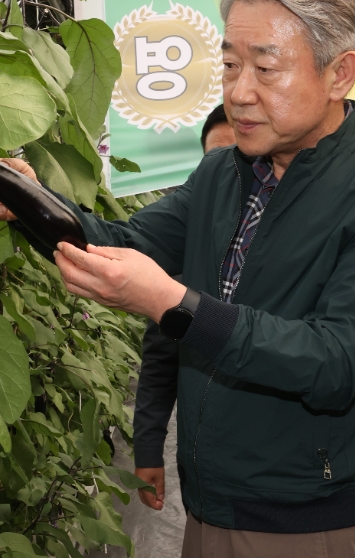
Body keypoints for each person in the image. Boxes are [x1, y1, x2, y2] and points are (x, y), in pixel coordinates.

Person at [0, 0, 355, 557]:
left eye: (265, 68)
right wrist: (27, 200)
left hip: (313, 526)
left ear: (340, 73)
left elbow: (334, 362)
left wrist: (174, 305)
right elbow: (122, 244)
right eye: (229, 64)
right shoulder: (223, 175)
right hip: (210, 510)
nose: (239, 92)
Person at [133, 104, 236, 513]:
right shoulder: (190, 243)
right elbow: (162, 351)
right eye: (217, 161)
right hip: (211, 465)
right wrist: (148, 448)